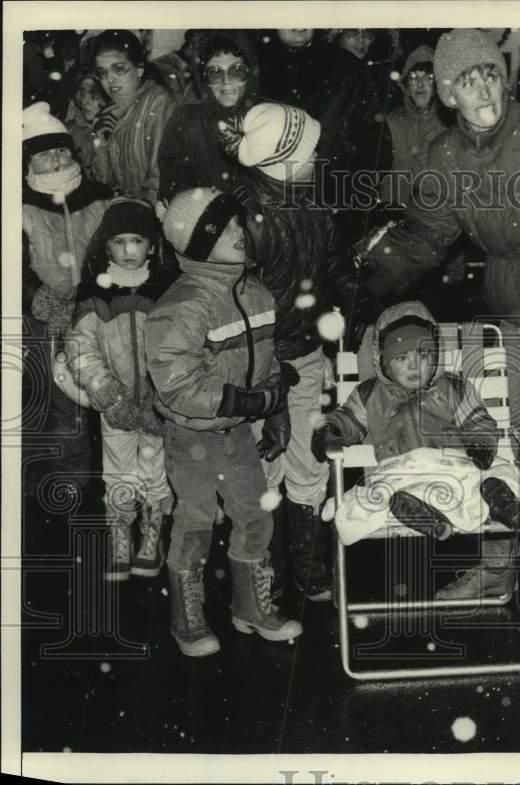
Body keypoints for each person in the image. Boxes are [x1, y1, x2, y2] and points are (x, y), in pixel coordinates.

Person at [360, 28, 520, 601]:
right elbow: (427, 236)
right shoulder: (447, 158)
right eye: (466, 80)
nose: (483, 88)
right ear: (448, 95)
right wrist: (365, 276)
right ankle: (498, 568)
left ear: (505, 78)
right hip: (511, 313)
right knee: (497, 435)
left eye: (490, 74)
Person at [145, 187, 302, 657]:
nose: (241, 232)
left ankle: (250, 605)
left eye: (238, 224)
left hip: (236, 430)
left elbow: (269, 364)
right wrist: (247, 401)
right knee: (194, 520)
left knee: (255, 514)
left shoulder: (256, 292)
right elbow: (176, 384)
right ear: (197, 243)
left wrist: (275, 410)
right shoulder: (183, 305)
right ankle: (187, 618)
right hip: (191, 433)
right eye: (227, 227)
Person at [311, 301, 520, 547]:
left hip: (455, 466)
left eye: (423, 355)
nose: (414, 365)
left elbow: (478, 420)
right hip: (403, 471)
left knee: (499, 475)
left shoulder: (453, 388)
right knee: (381, 494)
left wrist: (481, 444)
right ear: (383, 362)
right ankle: (421, 515)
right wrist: (332, 429)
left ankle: (502, 500)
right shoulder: (370, 394)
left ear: (436, 354)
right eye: (402, 357)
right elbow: (348, 419)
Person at [229, 101, 343, 602]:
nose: (317, 158)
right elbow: (242, 303)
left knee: (309, 456)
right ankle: (266, 561)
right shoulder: (248, 219)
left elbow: (330, 273)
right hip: (259, 363)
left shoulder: (313, 206)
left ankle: (307, 558)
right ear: (285, 160)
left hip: (306, 352)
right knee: (263, 462)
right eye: (309, 151)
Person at [64, 198, 176, 581]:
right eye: (119, 242)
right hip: (116, 403)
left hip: (160, 403)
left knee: (155, 467)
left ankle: (151, 533)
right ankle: (119, 535)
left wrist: (166, 396)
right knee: (119, 469)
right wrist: (106, 391)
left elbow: (182, 345)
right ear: (105, 246)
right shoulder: (95, 292)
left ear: (152, 245)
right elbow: (80, 346)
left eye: (138, 241)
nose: (129, 251)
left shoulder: (167, 288)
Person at [22, 101, 112, 495]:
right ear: (29, 163)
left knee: (89, 404)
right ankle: (43, 484)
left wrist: (94, 300)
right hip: (43, 322)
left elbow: (118, 251)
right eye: (44, 154)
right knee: (50, 402)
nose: (56, 160)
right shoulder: (20, 207)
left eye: (61, 150)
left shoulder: (99, 197)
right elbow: (15, 270)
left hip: (94, 315)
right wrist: (39, 298)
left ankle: (87, 486)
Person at [256, 28, 385, 176]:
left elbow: (376, 142)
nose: (299, 25)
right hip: (267, 189)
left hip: (331, 189)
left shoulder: (347, 67)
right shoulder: (251, 65)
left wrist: (350, 187)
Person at [158, 30, 261, 200]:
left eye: (237, 70)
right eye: (215, 73)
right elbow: (175, 192)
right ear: (203, 78)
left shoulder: (267, 117)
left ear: (250, 73)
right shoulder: (185, 122)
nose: (226, 82)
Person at [89, 29, 177, 203]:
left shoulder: (158, 101)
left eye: (118, 69)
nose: (109, 79)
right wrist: (101, 146)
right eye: (102, 72)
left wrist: (140, 215)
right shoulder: (108, 114)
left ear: (139, 69)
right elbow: (102, 187)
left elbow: (160, 177)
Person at [379, 44, 449, 207]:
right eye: (413, 77)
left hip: (435, 215)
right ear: (406, 85)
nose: (420, 84)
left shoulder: (449, 124)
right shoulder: (391, 122)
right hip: (393, 210)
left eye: (428, 78)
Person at [64, 74, 108, 182]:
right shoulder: (69, 130)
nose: (84, 102)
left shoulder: (116, 131)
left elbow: (104, 180)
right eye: (82, 95)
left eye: (93, 96)